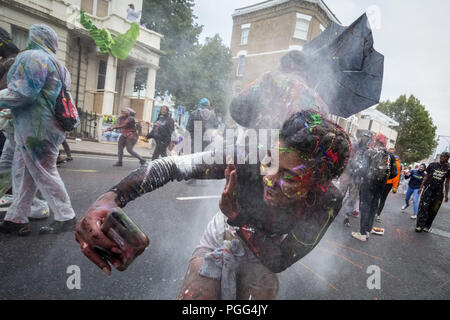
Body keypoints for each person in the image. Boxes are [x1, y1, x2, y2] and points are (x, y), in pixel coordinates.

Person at [75, 110, 350, 299]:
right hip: (223, 232)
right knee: (199, 294)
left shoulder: (327, 201)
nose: (269, 178)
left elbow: (280, 260)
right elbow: (173, 167)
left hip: (266, 248)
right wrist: (110, 198)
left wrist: (238, 216)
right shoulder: (247, 158)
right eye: (271, 162)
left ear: (318, 183)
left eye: (289, 177)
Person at [0, 24, 77, 236]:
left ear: (34, 37)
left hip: (36, 127)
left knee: (43, 171)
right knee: (25, 172)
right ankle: (16, 218)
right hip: (48, 127)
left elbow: (24, 94)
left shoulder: (33, 57)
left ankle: (66, 216)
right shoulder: (59, 65)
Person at [352, 133, 394, 241]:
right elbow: (394, 172)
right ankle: (367, 231)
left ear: (376, 141)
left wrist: (357, 171)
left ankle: (361, 234)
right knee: (373, 207)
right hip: (380, 186)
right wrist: (382, 179)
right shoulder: (389, 155)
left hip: (368, 183)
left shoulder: (370, 152)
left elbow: (362, 169)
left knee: (365, 207)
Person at [341, 131, 373, 226]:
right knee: (341, 193)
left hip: (357, 178)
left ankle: (347, 217)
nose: (365, 138)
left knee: (352, 198)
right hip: (348, 174)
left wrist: (362, 172)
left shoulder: (368, 150)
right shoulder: (354, 145)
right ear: (361, 136)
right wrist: (350, 167)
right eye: (364, 136)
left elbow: (367, 164)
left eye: (367, 137)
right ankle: (332, 210)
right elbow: (348, 157)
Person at [415, 152, 450, 232]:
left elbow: (447, 182)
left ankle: (427, 226)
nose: (442, 158)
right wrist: (421, 187)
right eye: (441, 156)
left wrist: (446, 195)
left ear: (447, 158)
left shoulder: (448, 168)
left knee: (434, 209)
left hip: (438, 191)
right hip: (428, 188)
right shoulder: (432, 165)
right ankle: (420, 225)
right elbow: (426, 176)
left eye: (444, 157)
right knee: (423, 207)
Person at [375, 148, 400, 222]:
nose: (390, 154)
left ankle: (378, 214)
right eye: (390, 152)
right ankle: (375, 212)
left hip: (388, 183)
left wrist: (395, 187)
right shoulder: (382, 158)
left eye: (392, 153)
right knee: (377, 197)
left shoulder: (397, 163)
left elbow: (397, 176)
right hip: (381, 181)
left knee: (382, 199)